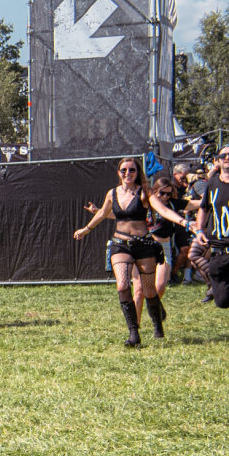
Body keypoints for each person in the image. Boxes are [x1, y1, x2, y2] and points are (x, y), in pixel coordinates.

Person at [74, 156, 195, 345]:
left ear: (138, 173)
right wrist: (86, 229)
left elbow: (163, 210)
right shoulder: (112, 193)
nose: (128, 173)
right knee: (122, 285)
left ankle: (157, 324)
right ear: (118, 173)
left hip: (144, 245)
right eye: (124, 170)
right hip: (120, 244)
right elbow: (103, 213)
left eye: (132, 170)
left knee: (149, 291)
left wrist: (184, 222)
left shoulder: (144, 192)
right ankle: (133, 333)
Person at [190, 146, 229, 308]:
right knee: (222, 301)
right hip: (218, 249)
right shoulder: (212, 183)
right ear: (218, 161)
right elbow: (204, 208)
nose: (227, 158)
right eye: (223, 155)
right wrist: (199, 230)